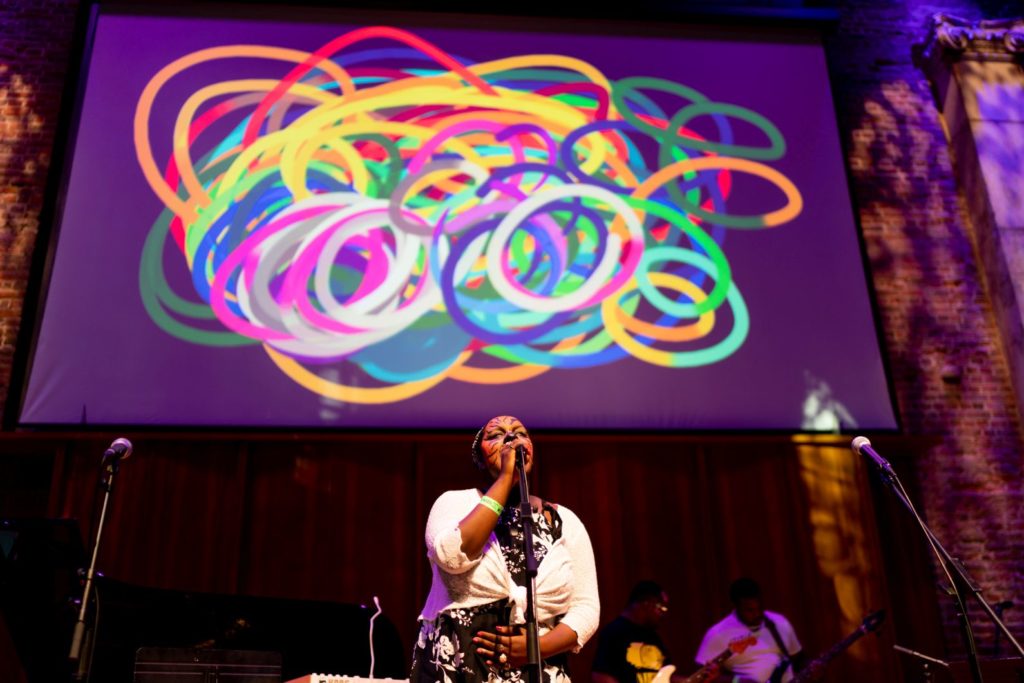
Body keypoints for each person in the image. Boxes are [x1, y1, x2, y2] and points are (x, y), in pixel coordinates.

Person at [411, 415, 600, 682]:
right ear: (479, 458)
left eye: (520, 433)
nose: (511, 438)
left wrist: (535, 648)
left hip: (539, 669)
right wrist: (505, 478)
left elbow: (586, 607)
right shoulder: (455, 503)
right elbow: (452, 557)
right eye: (496, 435)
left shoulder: (563, 520)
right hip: (459, 664)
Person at [694, 578, 803, 683]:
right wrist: (736, 681)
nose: (757, 614)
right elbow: (702, 677)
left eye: (760, 608)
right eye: (749, 610)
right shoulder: (717, 633)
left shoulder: (780, 623)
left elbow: (798, 659)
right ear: (736, 606)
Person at [591, 580, 677, 683]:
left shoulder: (654, 637)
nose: (663, 614)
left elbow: (669, 677)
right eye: (660, 607)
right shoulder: (614, 633)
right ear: (646, 603)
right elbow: (600, 676)